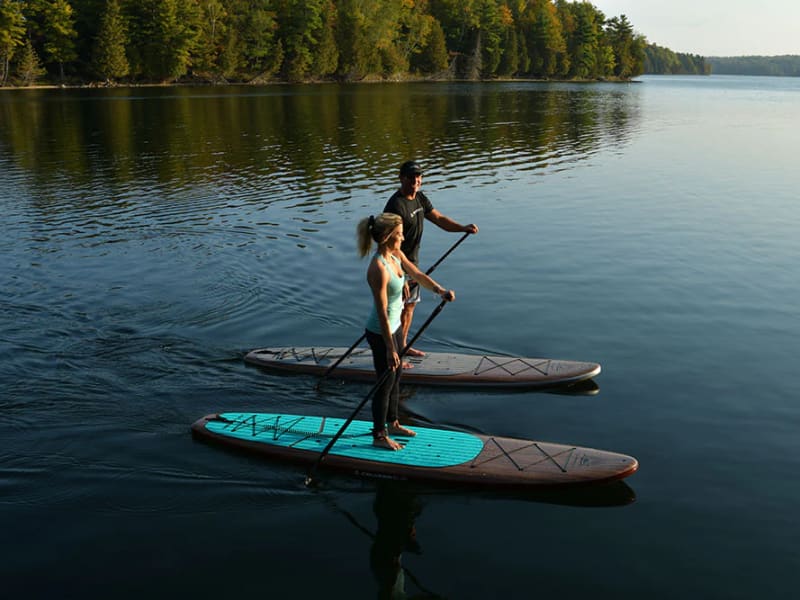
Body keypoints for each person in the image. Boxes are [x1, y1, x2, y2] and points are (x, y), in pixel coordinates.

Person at [357, 212, 455, 450]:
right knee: (385, 382)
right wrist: (390, 348)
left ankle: (393, 423)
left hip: (396, 327)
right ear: (387, 236)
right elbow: (381, 311)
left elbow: (418, 275)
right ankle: (379, 435)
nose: (403, 238)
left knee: (397, 377)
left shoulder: (396, 255)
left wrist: (440, 290)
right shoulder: (378, 267)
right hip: (381, 333)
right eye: (399, 234)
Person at [384, 160, 478, 361]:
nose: (416, 181)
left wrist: (463, 228)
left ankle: (403, 346)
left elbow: (439, 218)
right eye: (411, 177)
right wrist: (399, 273)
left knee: (409, 307)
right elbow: (387, 244)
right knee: (395, 311)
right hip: (396, 265)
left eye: (419, 177)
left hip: (413, 265)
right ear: (402, 178)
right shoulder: (395, 205)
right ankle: (391, 353)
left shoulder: (419, 198)